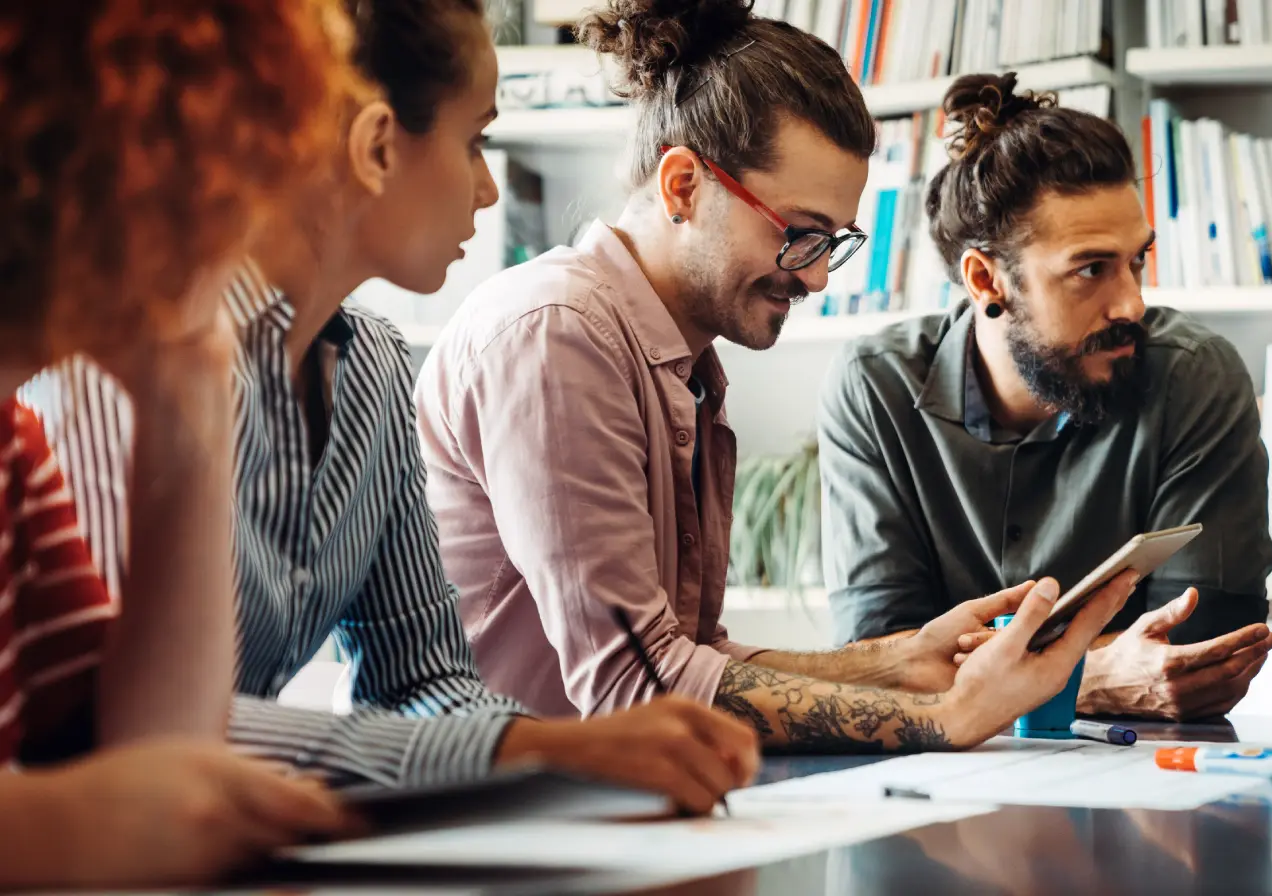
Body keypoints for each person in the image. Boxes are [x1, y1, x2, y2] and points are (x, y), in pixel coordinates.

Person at [26, 0, 758, 812]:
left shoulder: (374, 368)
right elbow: (126, 727)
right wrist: (542, 748)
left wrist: (563, 762)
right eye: (474, 141)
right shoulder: (125, 366)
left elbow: (422, 680)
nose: (486, 190)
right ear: (377, 144)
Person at [414, 0, 1136, 753]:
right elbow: (634, 686)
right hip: (480, 821)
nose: (820, 277)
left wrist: (898, 662)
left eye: (835, 241)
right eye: (800, 234)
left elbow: (688, 658)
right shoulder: (558, 333)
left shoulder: (682, 364)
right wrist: (945, 719)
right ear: (683, 185)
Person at [0, 0, 359, 889]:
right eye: (230, 179)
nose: (238, 232)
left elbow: (151, 757)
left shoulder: (12, 448)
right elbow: (109, 808)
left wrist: (190, 396)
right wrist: (59, 829)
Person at [817, 74, 1272, 722]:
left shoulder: (1195, 378)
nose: (1132, 305)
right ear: (985, 279)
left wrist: (976, 676)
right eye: (1091, 269)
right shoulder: (875, 389)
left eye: (1136, 262)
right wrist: (1089, 677)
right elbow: (874, 661)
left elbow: (1203, 659)